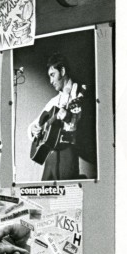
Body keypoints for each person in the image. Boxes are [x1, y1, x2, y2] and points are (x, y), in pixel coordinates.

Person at [26, 52, 88, 181]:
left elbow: (73, 127)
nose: (50, 81)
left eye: (52, 75)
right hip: (50, 156)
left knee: (66, 194)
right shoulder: (53, 101)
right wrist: (33, 129)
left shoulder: (78, 93)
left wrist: (67, 117)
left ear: (63, 71)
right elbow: (35, 123)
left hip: (67, 153)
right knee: (45, 196)